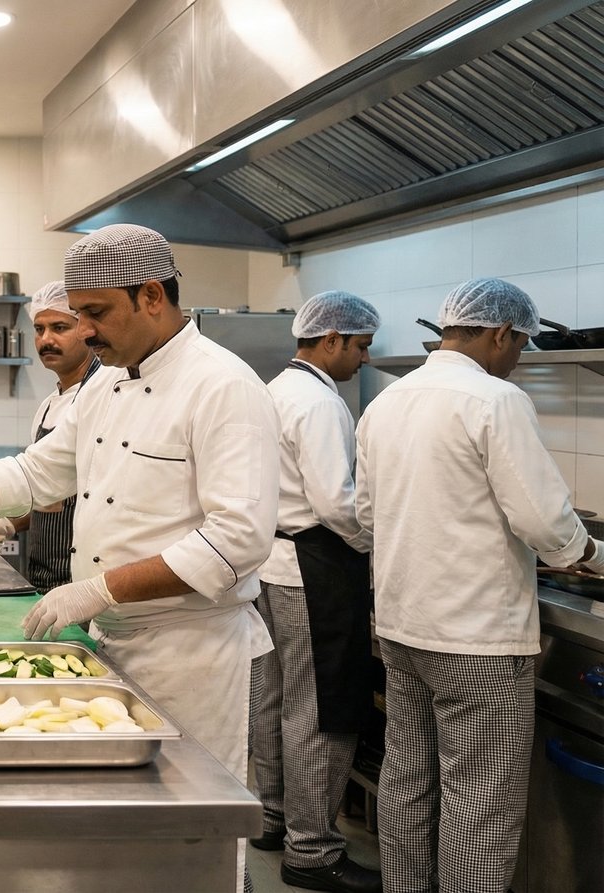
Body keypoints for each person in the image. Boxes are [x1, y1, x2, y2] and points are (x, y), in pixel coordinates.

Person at [0, 223, 277, 890]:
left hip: (192, 655)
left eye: (96, 314)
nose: (86, 332)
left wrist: (99, 589)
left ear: (153, 295)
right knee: (119, 841)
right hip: (111, 647)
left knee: (190, 835)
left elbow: (236, 539)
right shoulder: (104, 387)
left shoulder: (223, 387)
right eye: (79, 315)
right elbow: (31, 476)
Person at [355, 277, 604, 893]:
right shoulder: (495, 399)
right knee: (480, 802)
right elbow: (544, 520)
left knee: (408, 780)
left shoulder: (388, 400)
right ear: (500, 333)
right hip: (476, 640)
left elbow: (366, 516)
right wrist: (589, 552)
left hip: (400, 625)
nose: (518, 359)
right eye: (520, 346)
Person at [250, 291, 382, 893]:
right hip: (314, 569)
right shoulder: (320, 404)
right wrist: (376, 544)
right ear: (330, 340)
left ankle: (274, 819)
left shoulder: (272, 391)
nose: (361, 359)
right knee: (321, 711)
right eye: (359, 347)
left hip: (269, 566)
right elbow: (336, 503)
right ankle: (313, 851)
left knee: (274, 703)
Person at [0, 281, 103, 591]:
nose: (46, 340)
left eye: (59, 327)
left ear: (84, 329)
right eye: (39, 329)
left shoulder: (100, 396)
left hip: (82, 581)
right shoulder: (47, 406)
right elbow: (44, 489)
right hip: (43, 572)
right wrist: (8, 523)